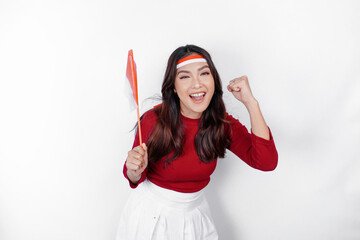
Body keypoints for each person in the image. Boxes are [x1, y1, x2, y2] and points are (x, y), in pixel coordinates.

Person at [116, 44, 278, 240]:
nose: (197, 84)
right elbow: (134, 176)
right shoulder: (153, 120)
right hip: (152, 216)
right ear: (174, 87)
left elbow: (266, 162)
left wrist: (251, 103)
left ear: (213, 81)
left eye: (204, 74)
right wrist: (134, 170)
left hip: (197, 214)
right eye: (185, 76)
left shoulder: (221, 122)